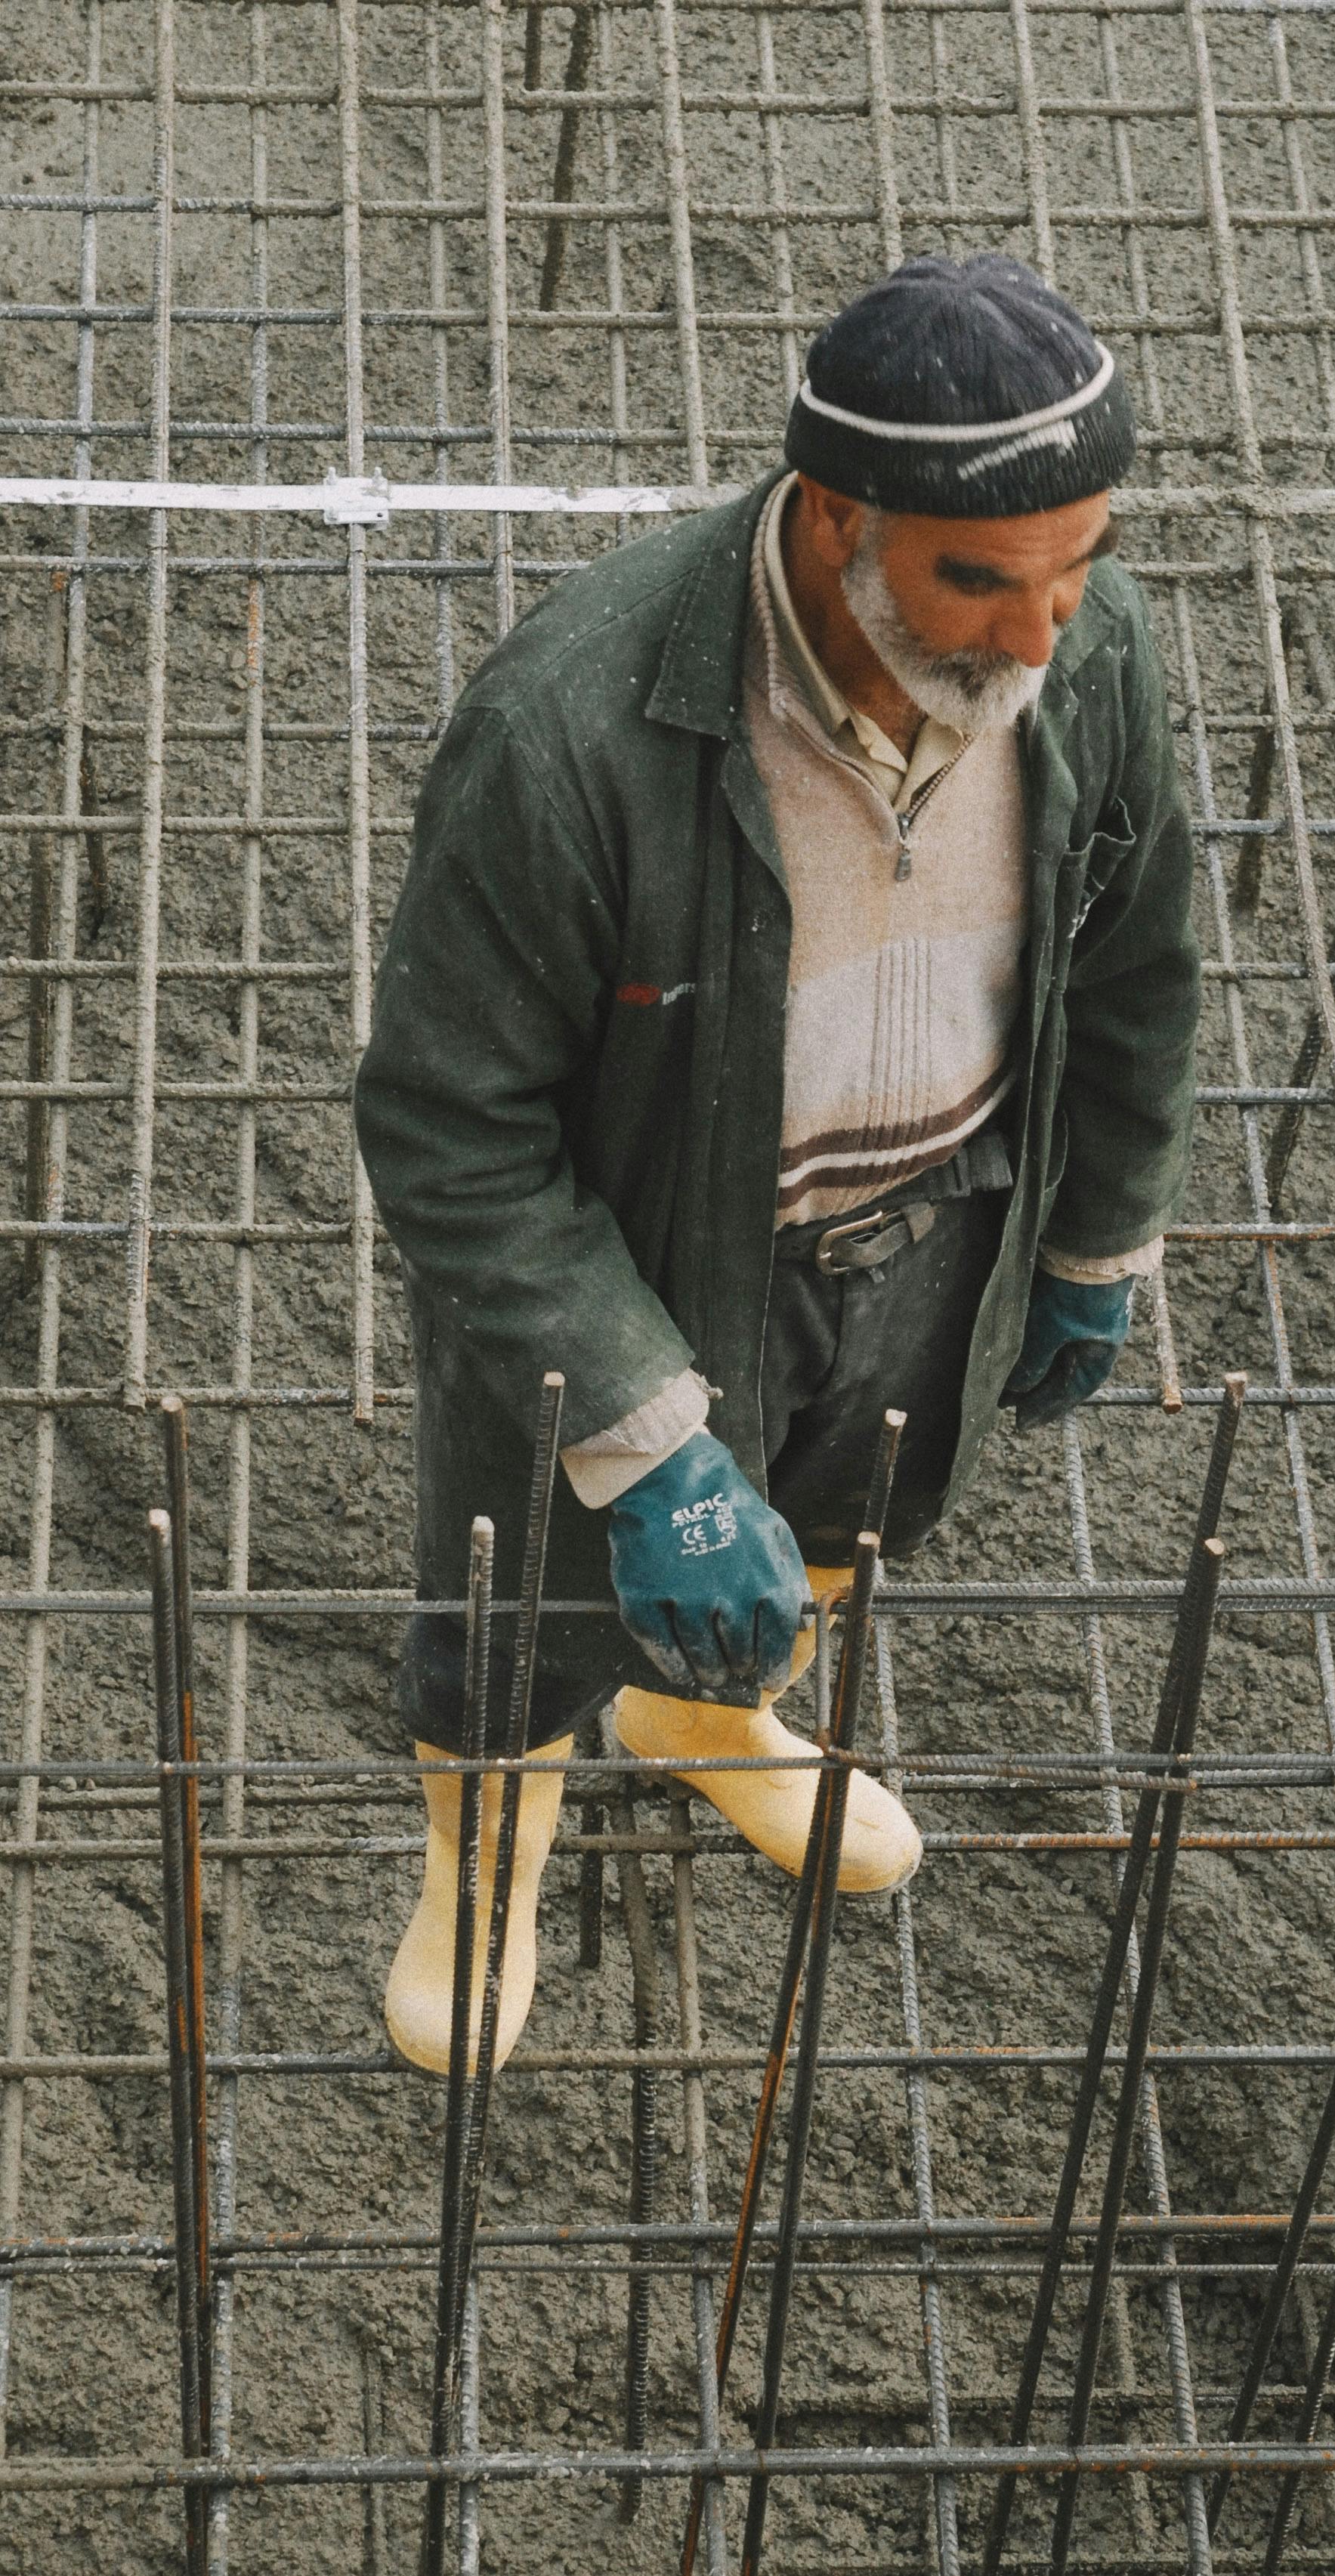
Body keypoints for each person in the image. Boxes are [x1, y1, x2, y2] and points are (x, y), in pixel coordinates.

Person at [354, 253, 1200, 2071]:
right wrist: (649, 1438)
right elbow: (452, 1121)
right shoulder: (577, 727)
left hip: (937, 1219)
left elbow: (1137, 961)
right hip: (657, 1252)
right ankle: (484, 1859)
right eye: (980, 579)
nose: (1040, 639)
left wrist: (1092, 1237)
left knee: (834, 1508)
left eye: (1078, 568)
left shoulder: (1083, 653)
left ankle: (706, 1724)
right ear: (834, 517)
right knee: (529, 1593)